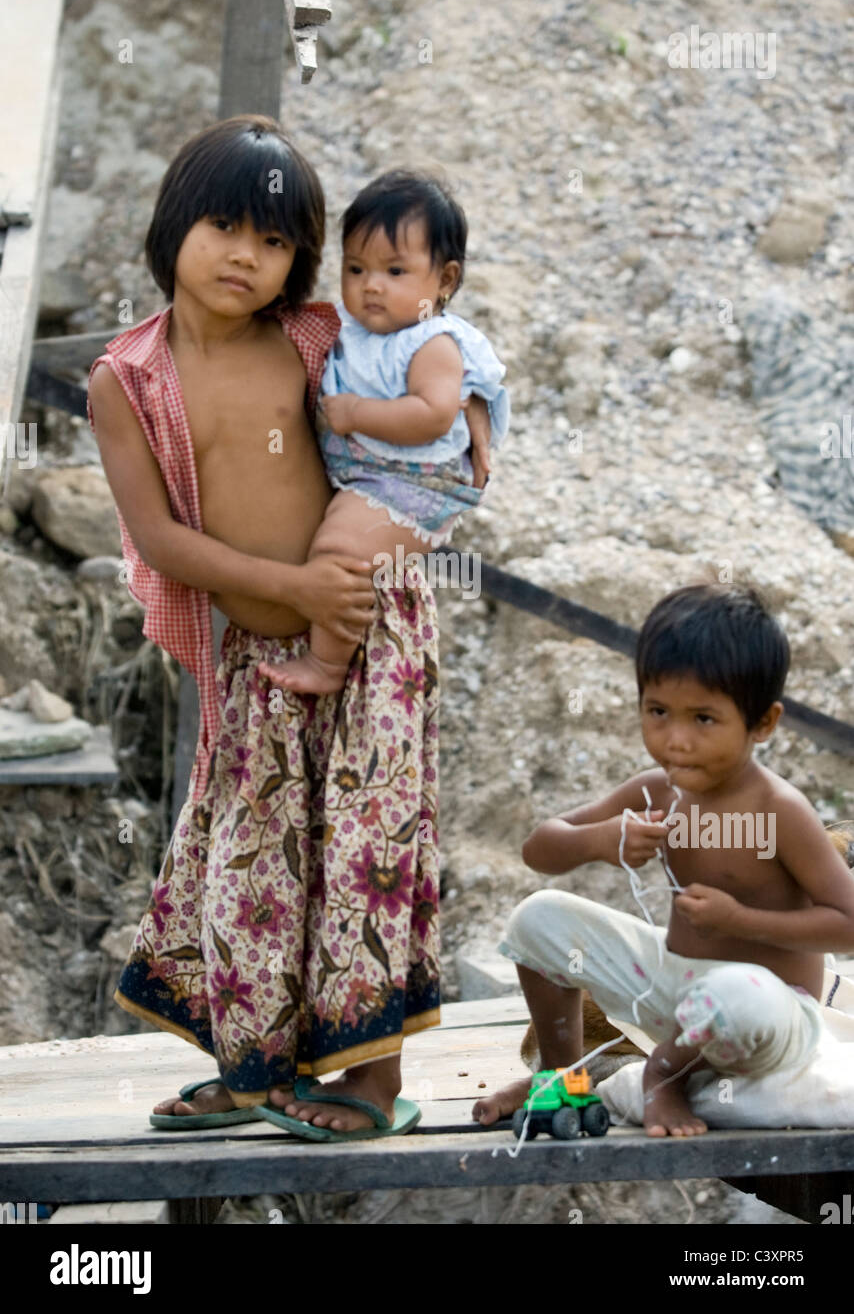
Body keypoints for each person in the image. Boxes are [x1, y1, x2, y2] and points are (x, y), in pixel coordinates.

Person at [87, 113, 492, 1138]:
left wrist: (478, 413)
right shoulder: (129, 379)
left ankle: (373, 1083)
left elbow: (436, 351)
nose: (245, 256)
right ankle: (253, 1068)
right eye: (224, 227)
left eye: (273, 242)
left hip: (369, 627)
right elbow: (162, 541)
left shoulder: (314, 339)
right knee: (251, 855)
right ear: (174, 225)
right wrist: (294, 591)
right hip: (258, 653)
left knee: (367, 845)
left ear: (297, 261)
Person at [473, 583, 854, 1137]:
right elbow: (539, 848)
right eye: (658, 711)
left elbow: (847, 923)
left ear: (763, 723)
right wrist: (601, 840)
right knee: (538, 915)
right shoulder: (658, 789)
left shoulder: (780, 811)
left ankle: (663, 1077)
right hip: (678, 996)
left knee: (734, 992)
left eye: (703, 719)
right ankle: (559, 1078)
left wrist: (740, 921)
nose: (676, 739)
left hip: (768, 1019)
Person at [257, 168, 509, 696]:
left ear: (444, 281)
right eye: (356, 268)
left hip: (411, 486)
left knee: (340, 553)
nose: (371, 285)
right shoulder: (348, 327)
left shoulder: (431, 343)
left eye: (395, 271)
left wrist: (356, 414)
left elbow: (432, 415)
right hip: (367, 475)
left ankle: (326, 665)